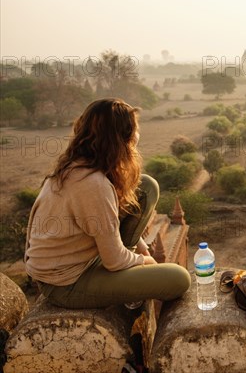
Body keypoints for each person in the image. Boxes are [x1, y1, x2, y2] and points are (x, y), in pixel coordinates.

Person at [24, 98, 190, 309]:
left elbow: (109, 222)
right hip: (66, 282)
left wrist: (143, 251)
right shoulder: (93, 184)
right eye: (134, 131)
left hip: (82, 260)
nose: (137, 136)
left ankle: (127, 267)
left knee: (146, 187)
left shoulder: (80, 166)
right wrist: (146, 263)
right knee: (178, 278)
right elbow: (114, 260)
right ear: (122, 138)